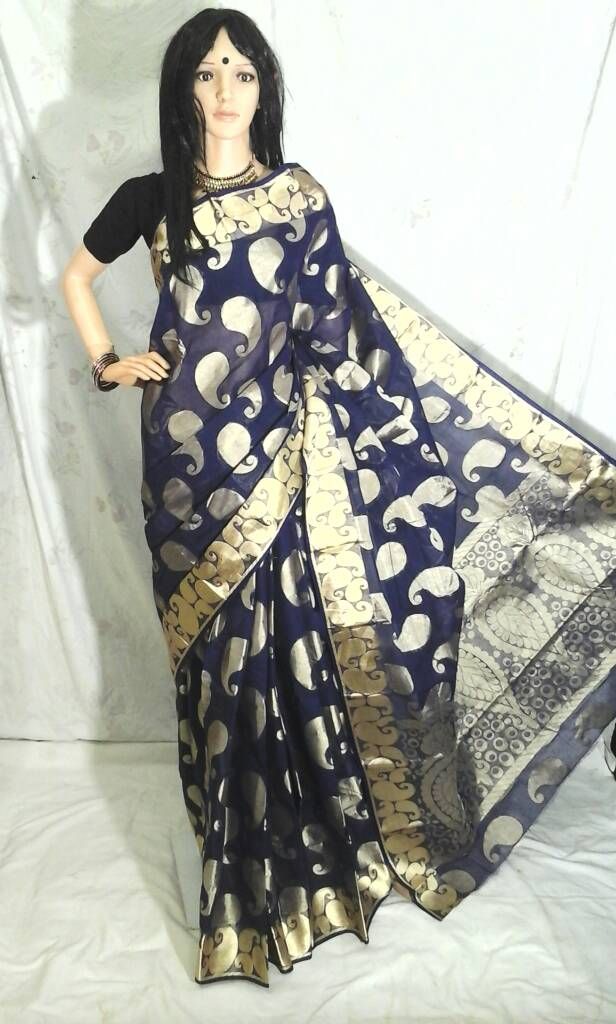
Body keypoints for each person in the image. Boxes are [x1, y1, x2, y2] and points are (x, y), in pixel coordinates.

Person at [61, 7, 616, 989]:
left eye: (241, 72)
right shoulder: (154, 197)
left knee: (281, 649)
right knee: (213, 666)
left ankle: (303, 858)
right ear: (183, 88)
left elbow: (336, 330)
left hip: (278, 463)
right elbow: (77, 276)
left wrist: (373, 433)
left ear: (264, 88)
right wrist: (109, 361)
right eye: (206, 73)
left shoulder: (299, 197)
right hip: (183, 474)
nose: (224, 90)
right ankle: (233, 853)